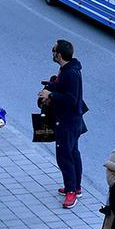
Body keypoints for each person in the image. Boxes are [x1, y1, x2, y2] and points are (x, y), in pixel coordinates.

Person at [39, 40, 86, 209]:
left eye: (54, 49)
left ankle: (71, 192)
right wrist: (51, 86)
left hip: (67, 122)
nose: (52, 51)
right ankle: (75, 186)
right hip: (71, 121)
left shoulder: (70, 73)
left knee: (64, 156)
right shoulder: (68, 70)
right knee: (73, 152)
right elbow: (63, 88)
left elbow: (71, 99)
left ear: (59, 54)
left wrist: (50, 95)